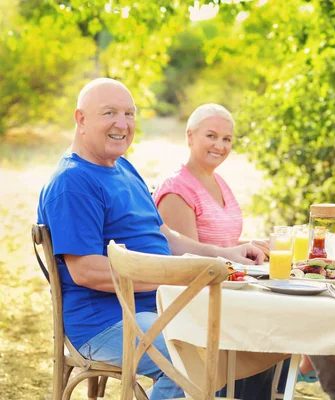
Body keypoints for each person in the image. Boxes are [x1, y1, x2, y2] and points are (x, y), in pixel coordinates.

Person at [37, 78, 265, 400]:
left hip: (158, 305)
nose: (122, 124)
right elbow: (86, 271)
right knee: (191, 359)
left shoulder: (123, 167)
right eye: (110, 113)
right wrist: (179, 274)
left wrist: (225, 253)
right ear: (81, 119)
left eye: (129, 114)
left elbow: (164, 235)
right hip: (106, 321)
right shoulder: (72, 182)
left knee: (247, 336)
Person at [152, 103, 274, 398]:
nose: (220, 145)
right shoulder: (176, 189)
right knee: (265, 333)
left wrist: (250, 246)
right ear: (190, 136)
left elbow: (220, 242)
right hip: (196, 300)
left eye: (227, 139)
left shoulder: (218, 180)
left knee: (273, 335)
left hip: (227, 287)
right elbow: (188, 259)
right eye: (212, 136)